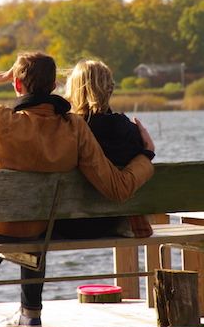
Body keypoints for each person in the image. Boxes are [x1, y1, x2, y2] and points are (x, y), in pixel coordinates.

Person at [0, 52, 154, 327]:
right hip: (39, 230)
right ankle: (26, 311)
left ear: (17, 85)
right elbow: (118, 187)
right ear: (54, 86)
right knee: (4, 214)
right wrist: (146, 155)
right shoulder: (74, 127)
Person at [53, 59, 155, 239]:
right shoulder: (131, 132)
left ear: (73, 89)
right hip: (106, 223)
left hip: (62, 224)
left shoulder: (66, 130)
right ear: (110, 88)